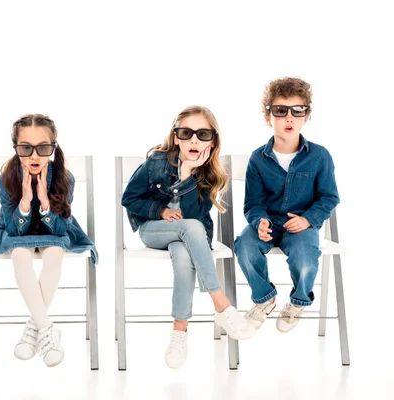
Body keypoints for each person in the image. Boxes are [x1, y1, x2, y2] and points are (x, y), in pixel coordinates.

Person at [121, 105, 255, 369]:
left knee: (184, 254)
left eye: (203, 134)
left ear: (213, 140)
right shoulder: (156, 162)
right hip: (154, 230)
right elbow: (129, 198)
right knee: (190, 229)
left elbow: (193, 215)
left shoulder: (210, 173)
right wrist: (159, 210)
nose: (194, 139)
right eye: (186, 132)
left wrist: (188, 176)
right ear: (175, 137)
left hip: (189, 237)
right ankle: (222, 305)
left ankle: (179, 331)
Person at [0, 113, 98, 368]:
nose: (34, 156)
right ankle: (48, 330)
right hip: (16, 232)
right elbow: (13, 230)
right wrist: (24, 199)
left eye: (42, 148)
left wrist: (44, 202)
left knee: (54, 252)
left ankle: (35, 329)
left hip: (54, 230)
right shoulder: (6, 178)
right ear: (16, 148)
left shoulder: (65, 178)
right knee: (20, 254)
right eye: (25, 148)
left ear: (53, 146)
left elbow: (61, 227)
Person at [234, 77, 340, 333]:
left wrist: (308, 219)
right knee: (244, 245)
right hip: (268, 223)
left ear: (307, 115)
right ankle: (264, 297)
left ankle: (298, 301)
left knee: (305, 258)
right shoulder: (258, 159)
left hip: (301, 225)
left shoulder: (319, 155)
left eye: (297, 110)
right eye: (280, 111)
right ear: (267, 116)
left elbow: (329, 197)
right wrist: (258, 221)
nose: (289, 118)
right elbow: (253, 202)